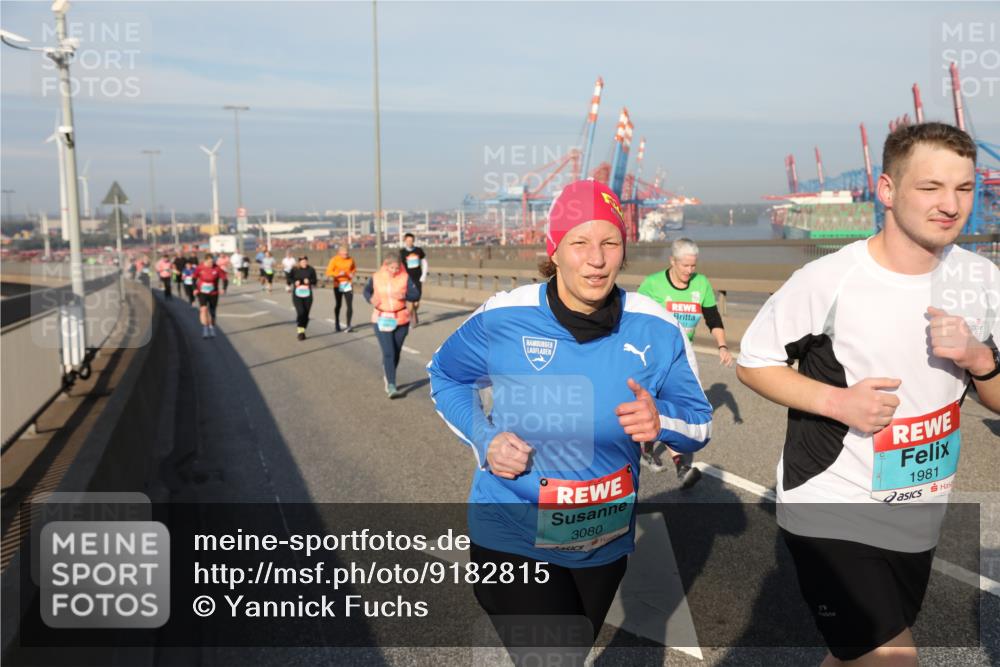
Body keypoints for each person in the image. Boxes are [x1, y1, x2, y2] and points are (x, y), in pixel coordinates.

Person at [736, 123, 1000, 667]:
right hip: (831, 502)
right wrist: (839, 403)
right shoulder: (827, 280)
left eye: (965, 188)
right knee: (892, 657)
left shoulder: (981, 280)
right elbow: (753, 362)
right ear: (886, 190)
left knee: (856, 655)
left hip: (919, 507)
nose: (951, 205)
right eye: (930, 188)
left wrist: (980, 360)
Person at [427, 179, 713, 659]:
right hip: (510, 530)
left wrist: (660, 420)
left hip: (602, 537)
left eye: (610, 243)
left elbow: (700, 423)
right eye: (579, 243)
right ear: (554, 251)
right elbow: (445, 376)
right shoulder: (505, 317)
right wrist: (484, 438)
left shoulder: (657, 328)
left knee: (572, 651)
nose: (596, 259)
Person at [636, 237, 732, 488]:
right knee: (658, 404)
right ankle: (677, 464)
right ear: (672, 261)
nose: (690, 271)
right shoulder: (652, 285)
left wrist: (722, 346)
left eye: (693, 266)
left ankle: (658, 454)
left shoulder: (701, 284)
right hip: (653, 356)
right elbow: (635, 320)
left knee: (670, 407)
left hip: (681, 357)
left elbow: (712, 317)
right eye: (685, 266)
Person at [364, 256, 421, 398]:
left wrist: (403, 294)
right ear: (386, 266)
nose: (395, 271)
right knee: (388, 352)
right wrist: (371, 299)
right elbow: (366, 291)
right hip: (381, 318)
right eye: (392, 268)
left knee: (396, 352)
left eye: (397, 268)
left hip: (401, 318)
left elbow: (416, 294)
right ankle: (391, 385)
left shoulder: (404, 277)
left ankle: (388, 371)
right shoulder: (376, 277)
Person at [194, 253, 227, 339]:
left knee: (212, 312)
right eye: (209, 262)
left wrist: (223, 288)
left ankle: (212, 327)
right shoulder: (200, 267)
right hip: (202, 292)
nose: (211, 264)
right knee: (203, 309)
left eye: (212, 262)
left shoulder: (217, 268)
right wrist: (195, 288)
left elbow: (225, 279)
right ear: (205, 261)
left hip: (213, 293)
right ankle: (205, 328)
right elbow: (194, 278)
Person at [325, 245, 357, 332]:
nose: (345, 256)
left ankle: (348, 325)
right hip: (338, 284)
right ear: (339, 253)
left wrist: (352, 274)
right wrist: (338, 273)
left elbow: (354, 269)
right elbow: (328, 272)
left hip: (347, 284)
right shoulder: (334, 260)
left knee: (349, 305)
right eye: (343, 254)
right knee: (339, 305)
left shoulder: (351, 259)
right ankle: (337, 323)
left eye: (346, 254)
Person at [399, 233, 427, 327]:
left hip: (417, 278)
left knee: (416, 302)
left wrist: (423, 275)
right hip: (407, 279)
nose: (409, 242)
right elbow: (400, 266)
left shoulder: (418, 251)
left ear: (413, 241)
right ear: (405, 241)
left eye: (411, 240)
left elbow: (424, 262)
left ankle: (414, 312)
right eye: (408, 241)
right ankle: (412, 319)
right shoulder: (402, 252)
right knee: (410, 301)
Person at [288, 255, 318, 341]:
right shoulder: (295, 269)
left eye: (305, 261)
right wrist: (294, 282)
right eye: (302, 261)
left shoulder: (311, 269)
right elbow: (288, 278)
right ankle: (301, 332)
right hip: (297, 295)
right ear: (299, 262)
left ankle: (302, 329)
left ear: (307, 261)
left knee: (306, 315)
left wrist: (310, 281)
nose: (304, 263)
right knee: (301, 312)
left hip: (308, 295)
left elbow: (315, 281)